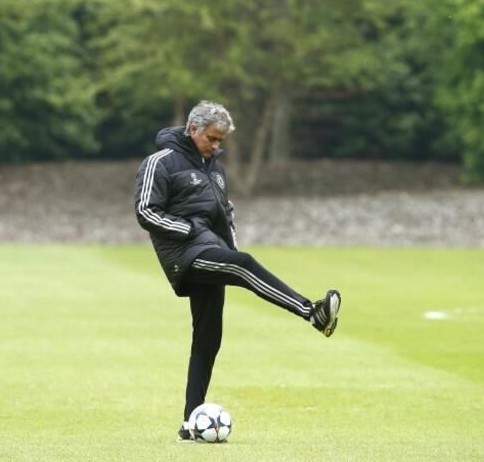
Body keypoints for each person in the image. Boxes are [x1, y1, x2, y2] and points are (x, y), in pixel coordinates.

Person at [134, 100, 341, 441]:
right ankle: (312, 312)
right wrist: (188, 232)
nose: (217, 146)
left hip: (211, 251)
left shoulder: (216, 168)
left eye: (221, 141)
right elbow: (146, 211)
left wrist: (226, 249)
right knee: (244, 264)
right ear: (193, 129)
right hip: (183, 255)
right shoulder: (160, 163)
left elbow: (225, 215)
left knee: (208, 339)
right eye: (212, 139)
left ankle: (190, 423)